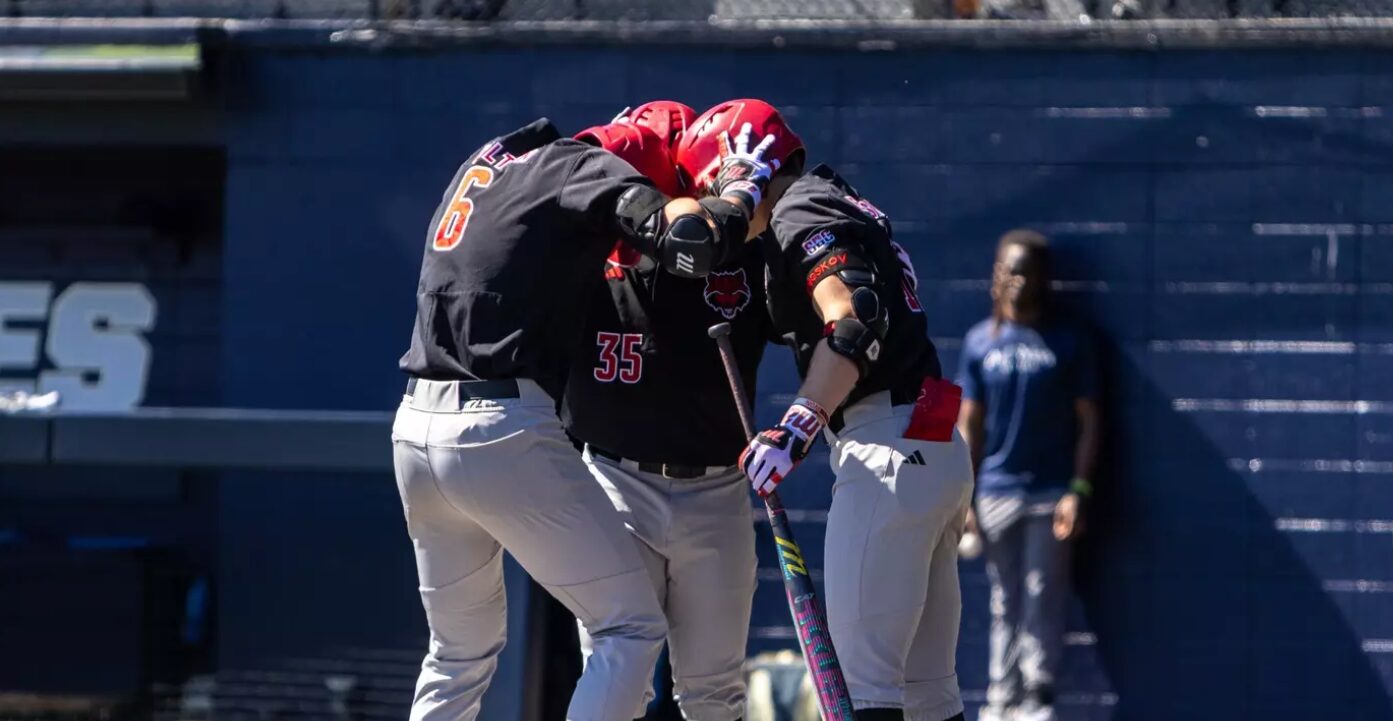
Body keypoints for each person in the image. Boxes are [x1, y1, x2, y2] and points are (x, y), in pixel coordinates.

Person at [391, 115, 777, 721]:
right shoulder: (577, 164)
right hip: (498, 426)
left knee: (456, 653)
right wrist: (736, 193)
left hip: (414, 426)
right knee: (630, 628)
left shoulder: (486, 161)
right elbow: (687, 244)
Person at [676, 99, 973, 721]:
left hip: (887, 451)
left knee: (866, 700)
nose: (719, 208)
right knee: (930, 696)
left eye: (715, 186)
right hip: (931, 447)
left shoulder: (800, 207)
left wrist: (798, 424)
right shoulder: (838, 198)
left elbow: (856, 314)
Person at [564, 99, 774, 721]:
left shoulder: (739, 244)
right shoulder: (584, 239)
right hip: (614, 478)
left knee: (715, 690)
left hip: (717, 487)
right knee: (618, 668)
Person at [955, 229, 1101, 721]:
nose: (1018, 280)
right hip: (995, 491)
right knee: (1004, 598)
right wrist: (963, 496)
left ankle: (1037, 697)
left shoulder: (1069, 340)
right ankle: (1001, 698)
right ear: (997, 276)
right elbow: (969, 423)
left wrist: (1078, 491)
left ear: (1044, 279)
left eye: (1028, 271)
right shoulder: (979, 341)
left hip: (1050, 492)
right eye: (1010, 270)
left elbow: (1090, 421)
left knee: (1043, 593)